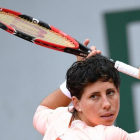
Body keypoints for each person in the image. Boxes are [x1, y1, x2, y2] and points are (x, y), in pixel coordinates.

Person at [33, 39, 140, 140]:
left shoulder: (58, 119)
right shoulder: (107, 136)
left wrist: (80, 75)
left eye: (110, 92)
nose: (106, 104)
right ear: (77, 103)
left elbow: (43, 110)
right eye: (94, 96)